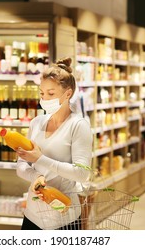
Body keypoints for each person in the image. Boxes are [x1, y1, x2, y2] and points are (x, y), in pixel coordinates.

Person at [16, 57, 93, 230]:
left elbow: (82, 174)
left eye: (51, 94)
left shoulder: (78, 126)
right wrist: (36, 177)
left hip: (63, 217)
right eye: (42, 93)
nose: (44, 99)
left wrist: (41, 159)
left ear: (68, 93)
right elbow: (21, 165)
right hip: (32, 216)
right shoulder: (36, 123)